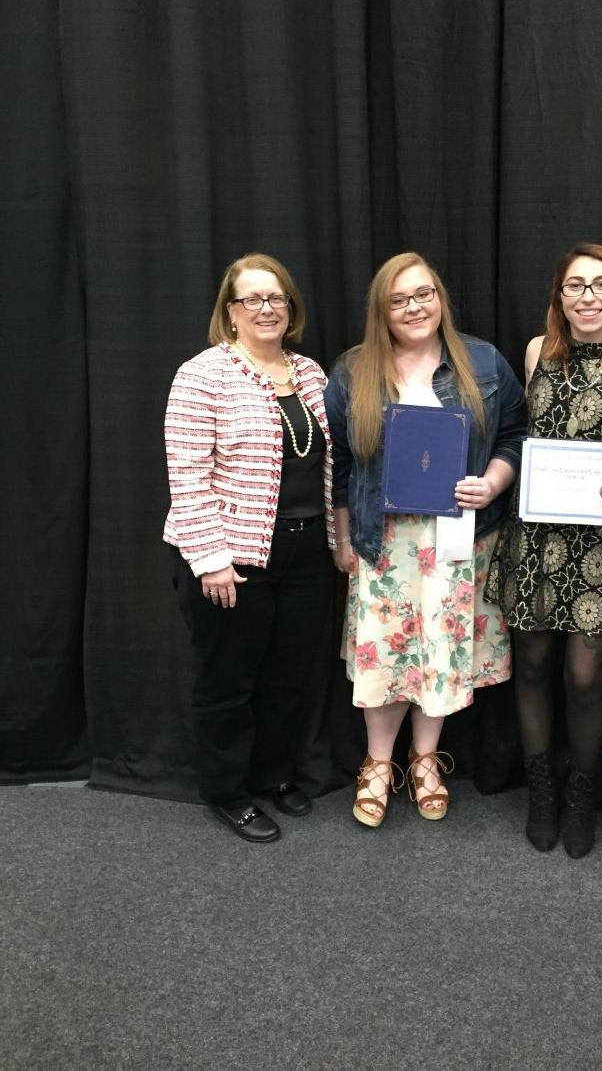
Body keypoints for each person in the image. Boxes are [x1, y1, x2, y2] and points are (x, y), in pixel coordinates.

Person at [324, 252, 527, 827]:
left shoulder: (483, 361)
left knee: (439, 653)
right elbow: (338, 464)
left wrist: (493, 481)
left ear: (440, 298)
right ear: (381, 310)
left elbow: (515, 433)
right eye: (399, 299)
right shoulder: (352, 370)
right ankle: (377, 764)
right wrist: (340, 536)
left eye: (424, 294)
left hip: (457, 541)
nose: (415, 307)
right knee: (385, 655)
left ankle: (425, 761)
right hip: (382, 541)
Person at [486, 243, 602, 857]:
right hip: (534, 536)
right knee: (532, 666)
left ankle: (582, 795)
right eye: (575, 286)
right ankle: (542, 791)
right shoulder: (538, 353)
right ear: (559, 296)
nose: (588, 296)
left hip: (599, 542)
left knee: (585, 678)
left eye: (601, 285)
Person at [164, 253, 336, 843]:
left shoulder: (311, 373)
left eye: (277, 299)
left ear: (291, 309)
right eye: (252, 299)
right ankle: (228, 792)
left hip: (308, 552)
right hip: (233, 557)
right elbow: (186, 474)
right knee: (229, 682)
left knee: (288, 678)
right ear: (230, 311)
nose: (267, 309)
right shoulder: (202, 374)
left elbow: (328, 465)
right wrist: (210, 558)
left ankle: (273, 775)